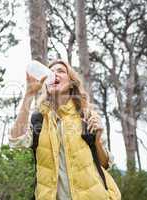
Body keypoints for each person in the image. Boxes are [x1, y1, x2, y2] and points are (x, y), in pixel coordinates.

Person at [9, 60, 121, 200]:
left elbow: (104, 164)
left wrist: (97, 141)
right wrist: (29, 94)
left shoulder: (86, 116)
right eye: (51, 71)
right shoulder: (39, 120)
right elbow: (16, 141)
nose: (54, 74)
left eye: (61, 71)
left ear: (72, 83)